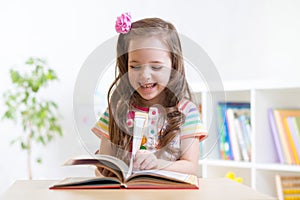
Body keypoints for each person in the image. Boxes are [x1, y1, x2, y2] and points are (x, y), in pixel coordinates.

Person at [92, 13, 207, 177]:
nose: (145, 75)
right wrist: (103, 168)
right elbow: (104, 167)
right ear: (126, 66)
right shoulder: (116, 109)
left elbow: (190, 167)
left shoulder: (187, 111)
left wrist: (157, 164)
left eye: (156, 67)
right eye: (135, 67)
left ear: (173, 65)